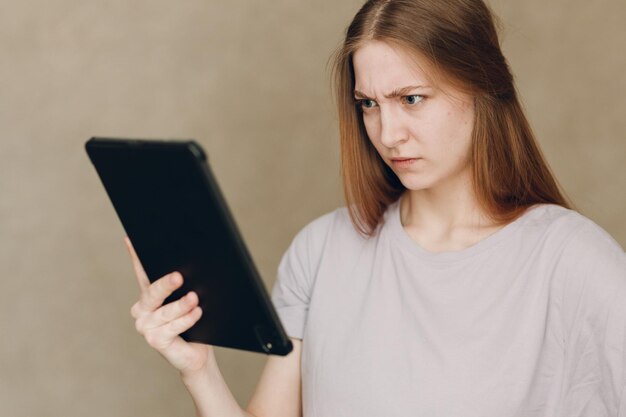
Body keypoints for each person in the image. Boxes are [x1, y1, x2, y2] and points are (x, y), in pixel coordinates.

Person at [126, 0, 626, 416]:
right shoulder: (321, 250)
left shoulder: (575, 262)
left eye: (411, 99)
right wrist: (199, 370)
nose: (388, 134)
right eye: (368, 104)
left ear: (483, 88)